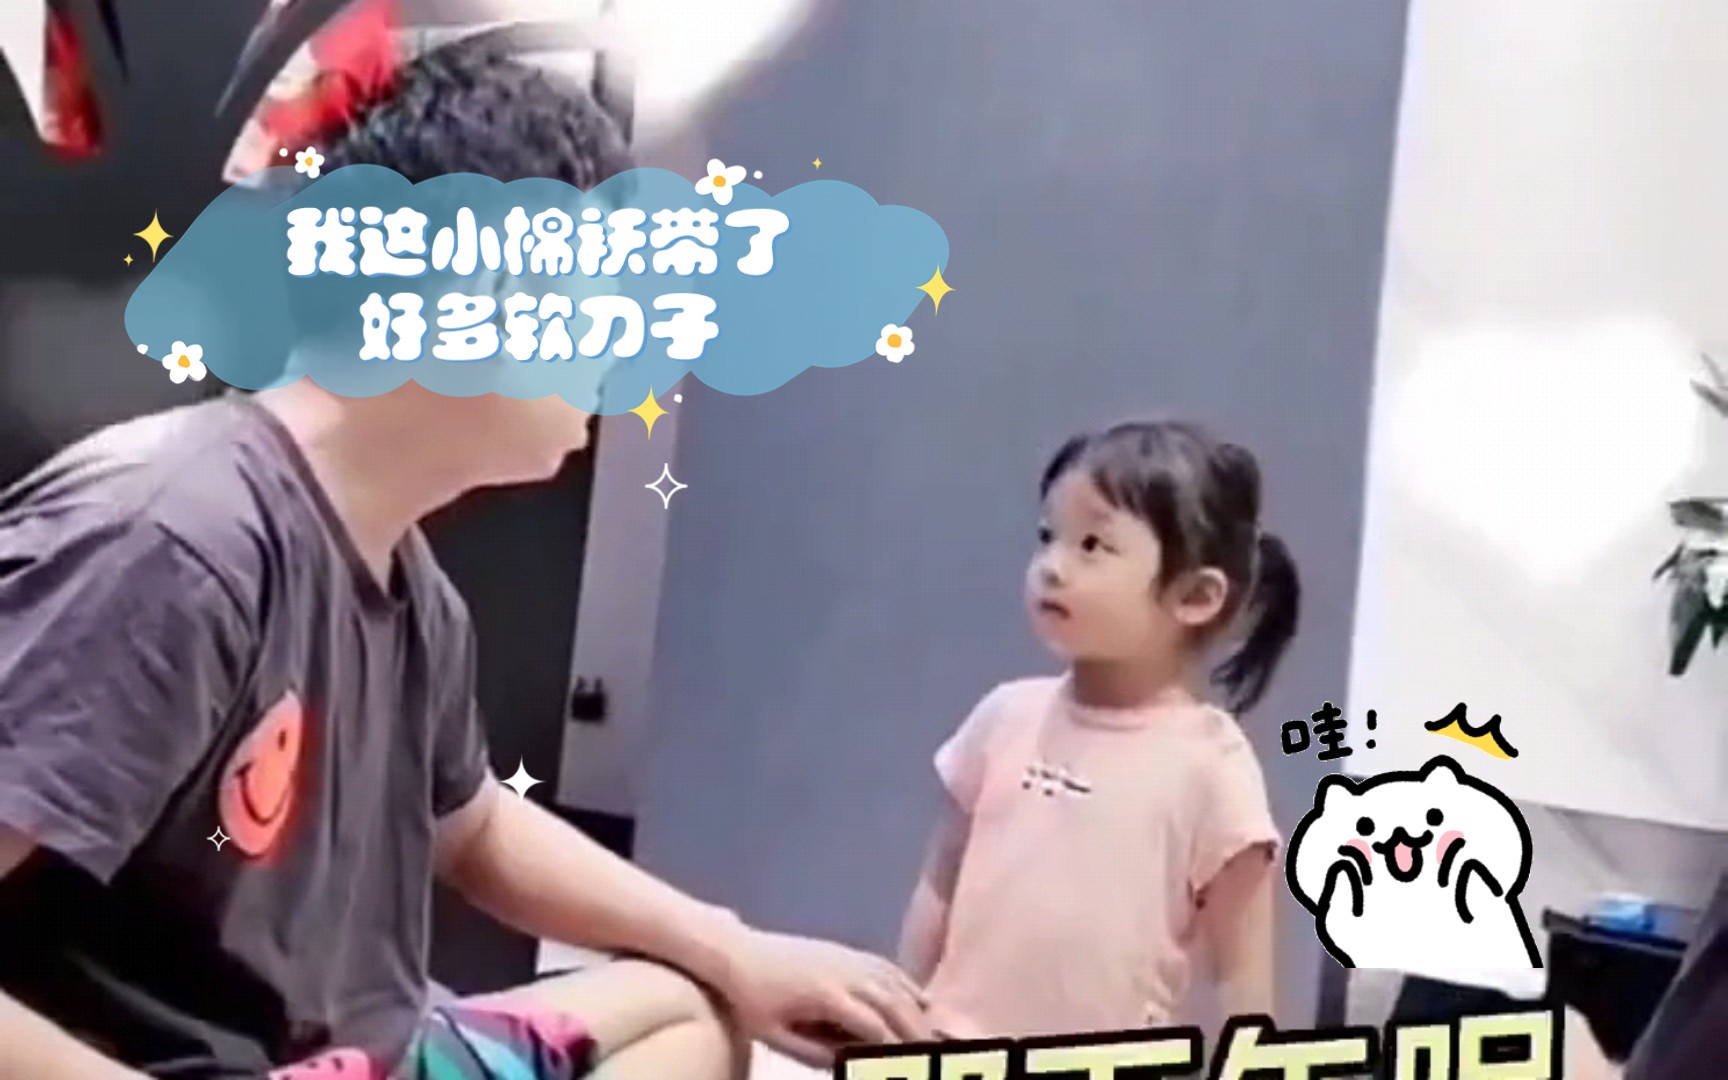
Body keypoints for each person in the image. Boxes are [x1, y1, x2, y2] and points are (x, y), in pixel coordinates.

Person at [0, 43, 928, 1080]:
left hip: (367, 1047)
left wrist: (735, 950)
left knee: (697, 1009)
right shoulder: (175, 539)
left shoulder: (408, 582)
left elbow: (473, 827)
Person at [897, 418, 1298, 1039]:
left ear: (1195, 596)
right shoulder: (1003, 716)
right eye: (1047, 537)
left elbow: (1241, 980)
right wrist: (895, 1023)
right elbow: (938, 888)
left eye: (1091, 545)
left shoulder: (1211, 766)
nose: (1051, 567)